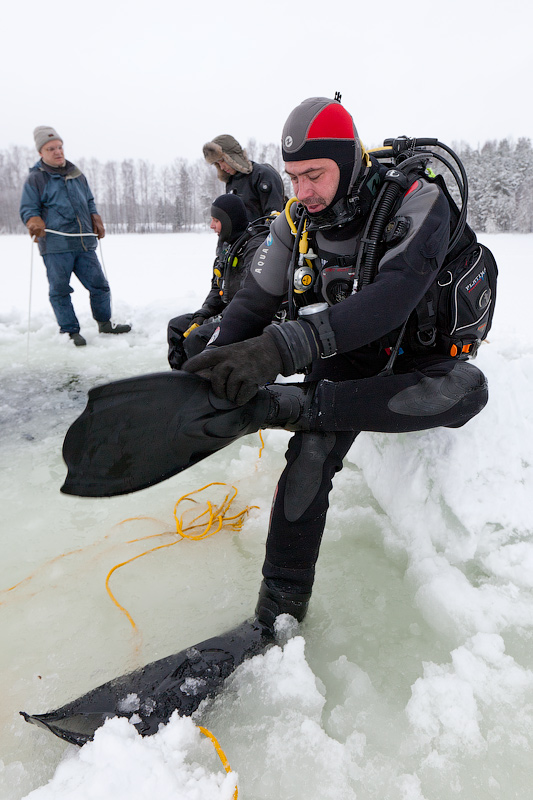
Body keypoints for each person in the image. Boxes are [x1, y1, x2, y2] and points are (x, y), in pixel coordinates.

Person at [184, 97, 490, 631]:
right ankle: (279, 610)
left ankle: (293, 405)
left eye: (315, 175)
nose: (302, 191)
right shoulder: (295, 219)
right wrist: (210, 362)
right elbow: (253, 302)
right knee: (311, 451)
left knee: (469, 389)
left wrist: (279, 350)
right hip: (350, 352)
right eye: (293, 177)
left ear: (348, 161)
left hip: (423, 355)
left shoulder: (419, 201)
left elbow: (392, 299)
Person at [20, 126, 131, 347]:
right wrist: (33, 220)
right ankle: (70, 331)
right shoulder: (36, 179)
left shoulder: (76, 174)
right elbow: (28, 208)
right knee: (60, 290)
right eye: (51, 148)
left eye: (59, 147)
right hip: (56, 245)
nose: (58, 151)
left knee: (100, 285)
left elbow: (89, 200)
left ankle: (105, 323)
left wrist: (95, 217)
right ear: (41, 153)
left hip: (83, 242)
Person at [167, 194, 281, 370]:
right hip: (226, 314)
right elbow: (217, 287)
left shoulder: (255, 247)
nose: (211, 226)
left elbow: (251, 295)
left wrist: (215, 319)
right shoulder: (228, 247)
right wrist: (205, 312)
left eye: (216, 220)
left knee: (197, 337)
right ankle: (180, 377)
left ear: (229, 221)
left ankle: (206, 382)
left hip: (246, 319)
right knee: (176, 327)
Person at [203, 134, 285, 222]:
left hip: (265, 230)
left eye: (222, 161)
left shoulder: (262, 175)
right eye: (218, 163)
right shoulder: (231, 182)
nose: (222, 167)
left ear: (231, 157)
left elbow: (274, 218)